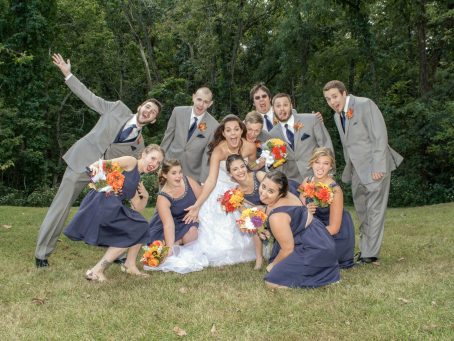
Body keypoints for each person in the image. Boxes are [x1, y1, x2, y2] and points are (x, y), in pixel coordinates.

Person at [35, 53, 162, 268]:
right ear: (141, 106)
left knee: (110, 210)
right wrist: (68, 74)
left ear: (153, 120)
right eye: (148, 107)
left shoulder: (140, 145)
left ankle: (117, 253)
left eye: (153, 113)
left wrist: (140, 189)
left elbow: (134, 169)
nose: (149, 112)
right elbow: (89, 97)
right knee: (61, 207)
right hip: (82, 162)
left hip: (104, 178)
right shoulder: (117, 108)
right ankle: (42, 253)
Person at [154, 115, 258, 273]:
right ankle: (178, 242)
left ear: (241, 130)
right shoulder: (219, 151)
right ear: (223, 133)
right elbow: (211, 181)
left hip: (240, 188)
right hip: (219, 189)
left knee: (247, 220)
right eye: (228, 130)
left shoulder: (250, 147)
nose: (233, 133)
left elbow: (251, 167)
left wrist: (252, 174)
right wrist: (197, 205)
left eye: (236, 129)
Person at [323, 80, 403, 264]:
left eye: (334, 96)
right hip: (356, 170)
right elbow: (348, 145)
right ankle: (366, 248)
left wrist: (379, 167)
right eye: (328, 99)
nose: (332, 102)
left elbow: (379, 137)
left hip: (375, 167)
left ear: (344, 93)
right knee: (362, 210)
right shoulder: (337, 116)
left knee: (374, 210)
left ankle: (370, 254)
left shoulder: (365, 104)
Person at [63, 145, 165, 282]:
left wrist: (145, 196)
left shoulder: (137, 180)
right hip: (102, 203)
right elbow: (95, 166)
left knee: (140, 225)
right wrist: (108, 189)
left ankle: (129, 264)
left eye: (158, 162)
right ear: (144, 154)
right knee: (134, 229)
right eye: (153, 158)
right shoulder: (131, 162)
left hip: (111, 206)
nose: (154, 164)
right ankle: (98, 270)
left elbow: (138, 207)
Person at [259, 171, 340, 289]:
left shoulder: (277, 217)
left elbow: (287, 249)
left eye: (271, 191)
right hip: (319, 238)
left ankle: (324, 278)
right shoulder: (288, 192)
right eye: (263, 186)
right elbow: (260, 174)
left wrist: (271, 266)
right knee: (278, 264)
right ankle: (323, 269)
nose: (264, 193)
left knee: (271, 281)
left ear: (281, 194)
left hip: (314, 248)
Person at [299, 148, 355, 269]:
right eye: (317, 162)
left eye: (326, 163)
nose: (320, 167)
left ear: (331, 167)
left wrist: (309, 238)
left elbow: (334, 228)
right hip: (313, 225)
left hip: (332, 232)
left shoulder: (335, 190)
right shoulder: (306, 181)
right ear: (311, 163)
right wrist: (306, 208)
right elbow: (300, 205)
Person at [269, 93, 333, 183]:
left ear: (291, 106)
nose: (282, 108)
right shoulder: (272, 134)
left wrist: (330, 174)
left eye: (285, 105)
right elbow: (277, 162)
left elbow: (326, 146)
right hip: (293, 182)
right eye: (278, 106)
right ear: (273, 109)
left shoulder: (311, 120)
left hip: (318, 176)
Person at [160, 87, 219, 183]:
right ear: (193, 97)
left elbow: (207, 154)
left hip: (192, 174)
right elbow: (167, 137)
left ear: (210, 104)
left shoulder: (214, 125)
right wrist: (159, 160)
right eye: (199, 99)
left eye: (206, 102)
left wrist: (203, 180)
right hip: (169, 166)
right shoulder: (177, 112)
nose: (201, 104)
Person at [148, 159, 201, 250]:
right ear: (165, 175)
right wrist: (169, 247)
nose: (178, 176)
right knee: (161, 246)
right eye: (174, 173)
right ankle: (178, 242)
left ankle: (181, 242)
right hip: (169, 223)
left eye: (180, 172)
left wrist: (197, 211)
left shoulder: (187, 180)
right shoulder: (163, 198)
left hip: (189, 218)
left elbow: (202, 197)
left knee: (192, 234)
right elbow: (168, 225)